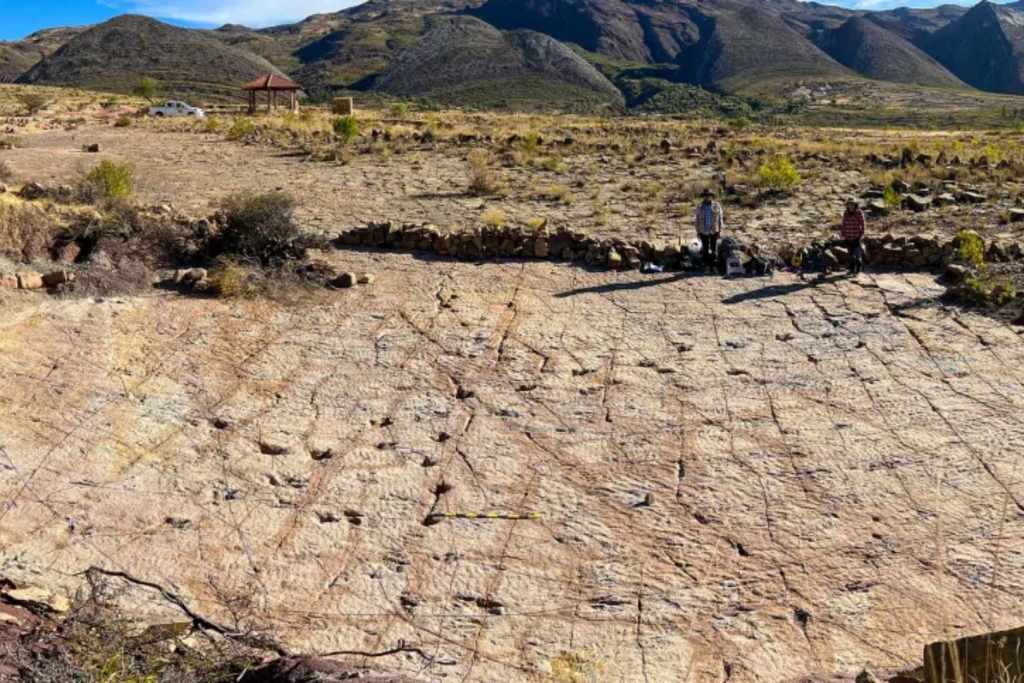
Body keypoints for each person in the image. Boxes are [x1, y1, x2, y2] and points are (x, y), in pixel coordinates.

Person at [694, 188, 723, 269]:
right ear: (704, 197)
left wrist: (720, 231)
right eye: (706, 196)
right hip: (703, 230)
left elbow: (720, 218)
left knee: (714, 248)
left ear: (711, 196)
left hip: (714, 229)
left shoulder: (717, 205)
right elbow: (697, 219)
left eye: (709, 195)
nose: (707, 197)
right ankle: (706, 265)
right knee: (705, 248)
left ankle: (713, 265)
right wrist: (698, 231)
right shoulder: (699, 206)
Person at [840, 197, 866, 274]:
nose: (850, 205)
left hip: (856, 236)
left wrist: (862, 233)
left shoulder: (859, 212)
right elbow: (843, 224)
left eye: (852, 204)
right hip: (848, 236)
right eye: (849, 204)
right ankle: (851, 269)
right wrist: (843, 233)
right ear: (847, 205)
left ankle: (858, 268)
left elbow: (862, 223)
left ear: (855, 204)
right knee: (850, 254)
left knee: (857, 254)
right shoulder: (846, 213)